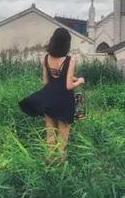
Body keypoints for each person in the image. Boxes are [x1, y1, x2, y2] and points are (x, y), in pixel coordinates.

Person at [19, 27, 85, 163]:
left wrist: (69, 78)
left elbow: (46, 81)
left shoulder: (46, 58)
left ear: (53, 41)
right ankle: (61, 165)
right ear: (66, 44)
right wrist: (79, 80)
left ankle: (49, 161)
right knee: (63, 136)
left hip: (49, 100)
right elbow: (67, 86)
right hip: (64, 102)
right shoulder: (70, 60)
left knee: (50, 134)